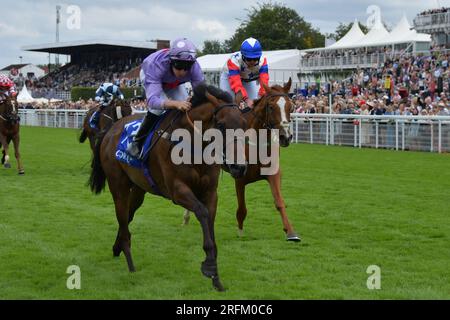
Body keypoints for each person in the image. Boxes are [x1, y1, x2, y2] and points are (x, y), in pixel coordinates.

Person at [126, 37, 205, 158]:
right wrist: (175, 104)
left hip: (173, 82)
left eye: (187, 66)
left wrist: (192, 99)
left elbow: (202, 94)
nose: (183, 71)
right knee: (158, 109)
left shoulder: (195, 67)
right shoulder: (156, 65)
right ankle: (137, 142)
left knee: (187, 108)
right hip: (152, 75)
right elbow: (152, 101)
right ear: (171, 61)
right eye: (179, 65)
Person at [220, 37, 269, 108]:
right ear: (243, 56)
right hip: (229, 78)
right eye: (249, 59)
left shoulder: (263, 61)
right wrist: (246, 99)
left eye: (255, 59)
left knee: (254, 104)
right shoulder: (233, 61)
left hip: (248, 79)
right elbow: (237, 85)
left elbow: (264, 84)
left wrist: (261, 98)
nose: (252, 62)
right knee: (227, 104)